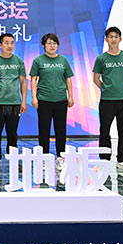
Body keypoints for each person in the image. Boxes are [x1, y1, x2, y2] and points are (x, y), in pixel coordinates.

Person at [93, 26, 123, 173]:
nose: (113, 39)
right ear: (106, 39)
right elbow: (96, 78)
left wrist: (120, 86)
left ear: (120, 39)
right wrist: (107, 89)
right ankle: (104, 159)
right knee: (105, 130)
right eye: (110, 37)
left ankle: (122, 160)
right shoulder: (101, 59)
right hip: (107, 100)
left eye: (116, 37)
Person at [29, 33, 74, 167]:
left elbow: (68, 79)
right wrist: (34, 97)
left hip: (61, 100)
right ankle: (44, 158)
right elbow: (33, 79)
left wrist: (71, 96)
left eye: (54, 43)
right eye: (49, 43)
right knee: (44, 130)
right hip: (44, 100)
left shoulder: (63, 60)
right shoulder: (38, 61)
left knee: (61, 130)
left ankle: (60, 157)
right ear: (44, 45)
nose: (52, 46)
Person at [0, 33, 28, 169]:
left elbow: (23, 82)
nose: (10, 45)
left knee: (12, 133)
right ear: (0, 45)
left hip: (14, 103)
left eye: (12, 42)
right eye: (6, 42)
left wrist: (23, 101)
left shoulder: (19, 61)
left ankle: (13, 159)